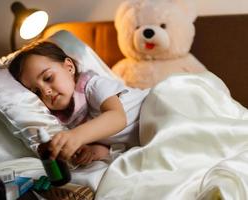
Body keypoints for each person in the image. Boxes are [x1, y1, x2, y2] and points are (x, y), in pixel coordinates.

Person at [9, 41, 149, 166]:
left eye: (48, 78)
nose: (46, 91)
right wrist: (91, 151)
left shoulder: (92, 85)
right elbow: (109, 144)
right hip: (143, 137)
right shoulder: (66, 119)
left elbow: (117, 118)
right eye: (36, 92)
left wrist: (77, 136)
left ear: (69, 67)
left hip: (151, 108)